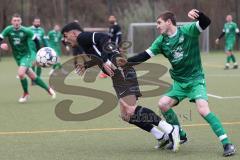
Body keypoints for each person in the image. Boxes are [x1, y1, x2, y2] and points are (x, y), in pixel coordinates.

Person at [116, 9, 236, 157]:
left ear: (168, 22)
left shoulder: (187, 31)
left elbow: (206, 22)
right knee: (163, 104)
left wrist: (199, 14)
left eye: (159, 22)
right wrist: (126, 63)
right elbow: (145, 55)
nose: (157, 26)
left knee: (203, 110)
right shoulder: (161, 41)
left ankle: (227, 143)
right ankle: (180, 134)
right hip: (179, 83)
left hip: (195, 80)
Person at [61, 22, 181, 152]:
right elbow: (98, 56)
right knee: (126, 115)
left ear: (73, 33)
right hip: (119, 73)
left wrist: (105, 59)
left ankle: (170, 129)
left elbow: (104, 38)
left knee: (130, 109)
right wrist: (87, 65)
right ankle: (161, 136)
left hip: (121, 71)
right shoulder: (84, 42)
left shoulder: (82, 37)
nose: (65, 40)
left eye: (66, 36)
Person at [0, 13, 56, 103]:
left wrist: (38, 53)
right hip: (17, 56)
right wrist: (1, 45)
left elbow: (36, 41)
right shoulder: (8, 30)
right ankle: (48, 89)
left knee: (21, 74)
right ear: (11, 22)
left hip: (27, 55)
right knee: (32, 76)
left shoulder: (26, 31)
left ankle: (26, 94)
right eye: (14, 20)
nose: (16, 22)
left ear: (21, 21)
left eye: (18, 20)